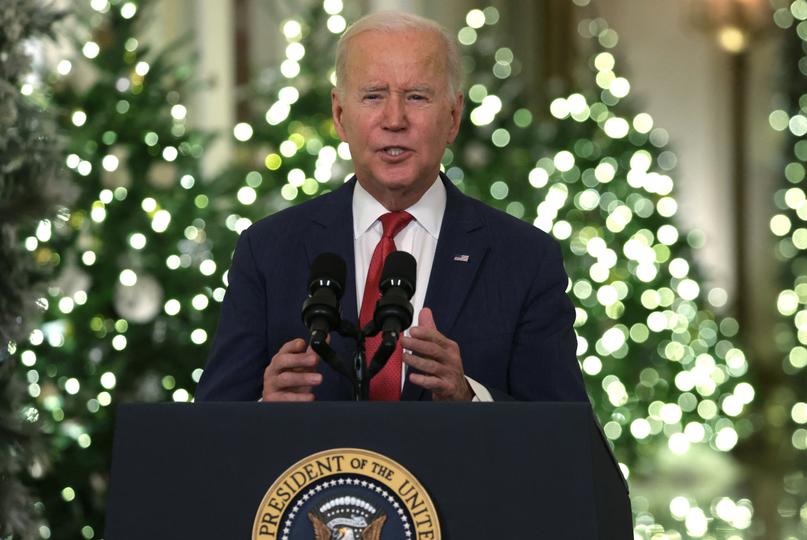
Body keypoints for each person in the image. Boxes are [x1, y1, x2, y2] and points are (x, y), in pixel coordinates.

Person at [195, 11, 587, 403]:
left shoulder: (525, 259)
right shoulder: (266, 250)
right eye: (373, 96)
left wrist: (471, 400)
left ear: (453, 117)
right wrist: (264, 409)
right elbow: (210, 433)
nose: (395, 120)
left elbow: (564, 439)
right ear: (339, 115)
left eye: (417, 96)